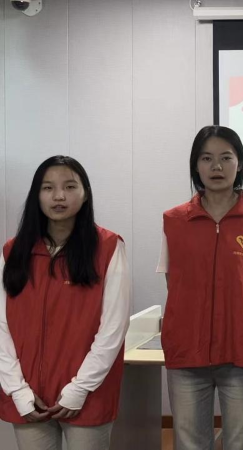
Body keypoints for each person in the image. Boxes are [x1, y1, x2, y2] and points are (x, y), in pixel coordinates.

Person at [157, 125, 243, 450]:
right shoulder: (175, 220)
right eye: (206, 158)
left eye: (226, 158)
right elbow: (173, 281)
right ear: (195, 166)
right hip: (187, 351)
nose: (216, 166)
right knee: (189, 443)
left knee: (242, 442)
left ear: (240, 164)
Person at [0, 155, 130, 450]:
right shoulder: (12, 252)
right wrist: (17, 390)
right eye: (48, 188)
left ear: (85, 193)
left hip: (88, 394)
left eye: (70, 187)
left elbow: (113, 328)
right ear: (36, 195)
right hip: (28, 397)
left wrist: (79, 389)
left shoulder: (108, 247)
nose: (59, 196)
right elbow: (1, 326)